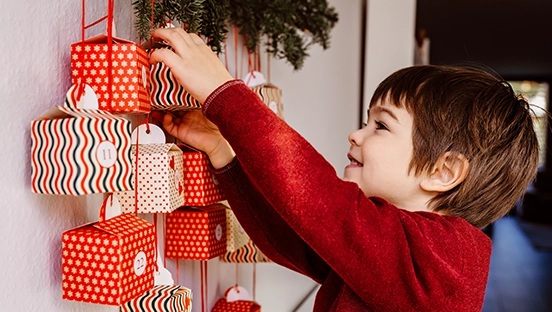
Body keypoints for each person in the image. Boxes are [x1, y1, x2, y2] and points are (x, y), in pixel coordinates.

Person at [149, 28, 539, 311]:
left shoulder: (442, 265)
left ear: (443, 171)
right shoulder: (389, 249)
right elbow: (293, 238)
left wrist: (224, 92)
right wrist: (222, 151)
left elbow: (322, 203)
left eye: (381, 126)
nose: (355, 134)